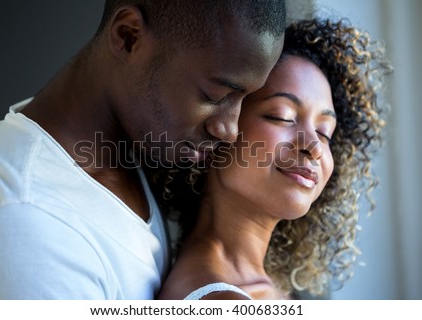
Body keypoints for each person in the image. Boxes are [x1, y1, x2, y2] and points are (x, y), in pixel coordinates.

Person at [0, 0, 286, 299]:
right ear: (129, 36)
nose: (230, 131)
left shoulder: (134, 150)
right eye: (215, 95)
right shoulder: (23, 221)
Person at [154, 18, 392, 300]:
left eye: (325, 132)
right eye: (282, 116)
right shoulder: (221, 300)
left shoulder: (265, 287)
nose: (314, 145)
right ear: (217, 128)